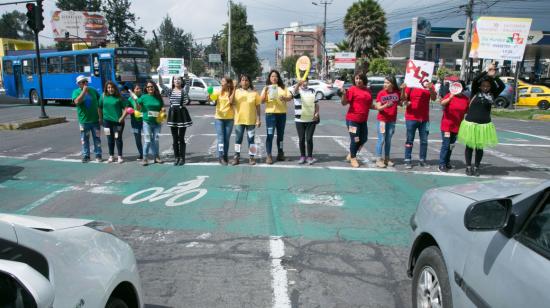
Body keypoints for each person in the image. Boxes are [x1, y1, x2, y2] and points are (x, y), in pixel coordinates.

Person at [458, 64, 504, 176]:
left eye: (487, 86)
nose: (485, 88)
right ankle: (468, 167)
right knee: (469, 146)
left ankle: (477, 167)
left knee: (479, 147)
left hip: (484, 125)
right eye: (483, 86)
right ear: (480, 86)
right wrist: (486, 72)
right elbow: (475, 80)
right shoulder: (475, 91)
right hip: (471, 123)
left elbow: (502, 86)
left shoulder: (492, 94)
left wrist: (494, 76)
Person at [401, 79, 437, 169]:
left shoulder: (429, 85)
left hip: (424, 119)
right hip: (411, 117)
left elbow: (434, 98)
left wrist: (431, 89)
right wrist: (403, 89)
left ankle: (422, 160)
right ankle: (407, 159)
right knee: (409, 139)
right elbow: (403, 98)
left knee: (424, 141)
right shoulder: (411, 84)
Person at [340, 72, 372, 168]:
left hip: (363, 120)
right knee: (355, 139)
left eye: (360, 78)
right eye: (357, 78)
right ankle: (353, 158)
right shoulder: (352, 89)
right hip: (352, 120)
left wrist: (382, 107)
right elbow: (344, 103)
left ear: (364, 79)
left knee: (364, 138)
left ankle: (352, 152)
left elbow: (370, 105)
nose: (358, 80)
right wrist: (344, 94)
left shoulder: (368, 91)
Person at [130, 80, 165, 166]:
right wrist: (135, 100)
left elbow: (162, 106)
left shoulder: (158, 97)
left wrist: (163, 110)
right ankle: (145, 158)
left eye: (151, 86)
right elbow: (138, 108)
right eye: (148, 87)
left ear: (154, 87)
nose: (150, 88)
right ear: (146, 88)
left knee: (156, 140)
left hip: (157, 123)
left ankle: (156, 157)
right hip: (147, 123)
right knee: (147, 140)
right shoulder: (143, 97)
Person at [261, 70, 292, 164]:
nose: (274, 78)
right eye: (272, 76)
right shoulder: (266, 88)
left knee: (280, 135)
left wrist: (285, 98)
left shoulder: (283, 88)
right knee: (270, 135)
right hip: (270, 115)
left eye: (276, 76)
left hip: (281, 114)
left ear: (278, 78)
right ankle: (269, 155)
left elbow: (290, 97)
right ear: (269, 78)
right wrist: (266, 92)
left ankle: (280, 153)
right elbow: (261, 101)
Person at [162, 73, 193, 166]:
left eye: (179, 79)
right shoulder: (170, 91)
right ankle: (176, 157)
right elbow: (160, 84)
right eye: (175, 79)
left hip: (182, 114)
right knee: (175, 138)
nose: (177, 81)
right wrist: (159, 73)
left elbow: (188, 83)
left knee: (181, 138)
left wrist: (186, 73)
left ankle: (182, 158)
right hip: (173, 115)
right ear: (173, 81)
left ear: (181, 81)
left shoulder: (184, 91)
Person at [438, 80, 469, 172]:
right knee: (446, 145)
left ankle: (447, 162)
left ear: (462, 88)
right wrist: (450, 98)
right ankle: (442, 164)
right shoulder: (450, 95)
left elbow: (467, 110)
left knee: (451, 145)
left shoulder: (465, 99)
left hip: (457, 126)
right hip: (447, 125)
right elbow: (442, 103)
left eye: (459, 87)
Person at [72, 75, 102, 163]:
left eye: (86, 81)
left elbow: (100, 103)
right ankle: (86, 155)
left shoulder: (93, 90)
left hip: (95, 120)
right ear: (78, 84)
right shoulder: (76, 92)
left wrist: (101, 117)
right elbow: (77, 101)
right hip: (84, 121)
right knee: (84, 139)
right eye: (83, 82)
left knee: (97, 138)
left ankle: (98, 154)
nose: (85, 83)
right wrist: (84, 91)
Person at [232, 74, 261, 165]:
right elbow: (231, 102)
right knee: (238, 140)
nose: (244, 82)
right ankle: (236, 156)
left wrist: (258, 119)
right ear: (240, 82)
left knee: (251, 140)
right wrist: (233, 88)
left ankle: (252, 157)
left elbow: (258, 107)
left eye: (246, 80)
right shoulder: (236, 92)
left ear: (249, 82)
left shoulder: (254, 93)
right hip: (239, 121)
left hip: (251, 121)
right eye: (243, 80)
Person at [374, 75, 401, 168]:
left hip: (392, 120)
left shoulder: (397, 93)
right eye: (384, 82)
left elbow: (402, 103)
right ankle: (378, 159)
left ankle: (387, 158)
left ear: (392, 84)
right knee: (381, 140)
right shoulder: (381, 93)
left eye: (387, 82)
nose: (385, 84)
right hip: (382, 120)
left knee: (388, 140)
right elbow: (378, 108)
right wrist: (386, 105)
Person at [99, 81, 127, 163]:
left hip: (117, 122)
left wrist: (122, 117)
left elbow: (126, 108)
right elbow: (99, 108)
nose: (110, 89)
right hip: (107, 122)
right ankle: (111, 155)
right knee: (109, 139)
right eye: (108, 88)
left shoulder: (119, 97)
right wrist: (100, 119)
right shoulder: (103, 96)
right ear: (106, 89)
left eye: (112, 87)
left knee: (118, 138)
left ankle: (119, 156)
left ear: (115, 88)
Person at [293, 78, 320, 165]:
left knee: (309, 138)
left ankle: (310, 157)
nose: (304, 83)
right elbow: (294, 93)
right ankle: (302, 156)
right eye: (302, 81)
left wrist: (316, 113)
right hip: (299, 119)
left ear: (308, 82)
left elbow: (316, 104)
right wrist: (298, 84)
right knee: (301, 139)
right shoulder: (297, 89)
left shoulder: (312, 91)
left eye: (306, 81)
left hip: (310, 119)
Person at [213, 76, 235, 165]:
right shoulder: (218, 91)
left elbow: (231, 102)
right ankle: (221, 156)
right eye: (221, 81)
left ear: (228, 83)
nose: (222, 82)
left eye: (224, 81)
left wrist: (234, 89)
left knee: (226, 139)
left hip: (229, 118)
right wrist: (209, 97)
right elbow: (213, 99)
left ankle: (225, 155)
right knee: (221, 139)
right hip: (219, 118)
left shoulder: (231, 92)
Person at [127, 84, 144, 161]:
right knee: (137, 139)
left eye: (140, 88)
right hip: (135, 122)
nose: (139, 90)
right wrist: (130, 111)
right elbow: (127, 109)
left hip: (145, 121)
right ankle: (141, 154)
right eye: (137, 88)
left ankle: (149, 153)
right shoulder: (130, 99)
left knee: (148, 138)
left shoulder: (144, 97)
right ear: (134, 90)